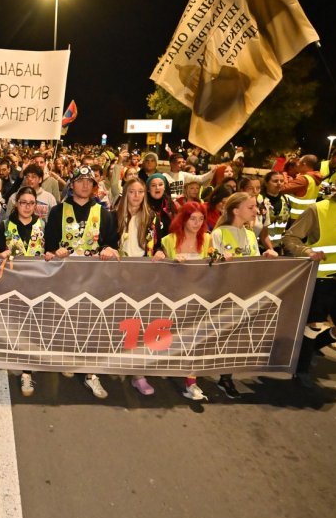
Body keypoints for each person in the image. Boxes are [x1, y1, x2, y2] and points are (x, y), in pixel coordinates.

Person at [282, 165, 336, 386]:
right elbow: (290, 238)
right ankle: (301, 370)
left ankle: (310, 349)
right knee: (313, 325)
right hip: (322, 278)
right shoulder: (318, 209)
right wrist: (307, 251)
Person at [44, 166, 119, 399]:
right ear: (72, 184)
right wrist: (54, 253)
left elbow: (111, 244)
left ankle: (90, 373)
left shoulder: (104, 212)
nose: (85, 185)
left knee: (93, 323)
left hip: (94, 278)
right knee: (67, 319)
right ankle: (69, 357)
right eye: (80, 181)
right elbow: (48, 246)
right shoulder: (57, 211)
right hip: (65, 277)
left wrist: (108, 249)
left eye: (89, 181)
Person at [211, 192, 279, 397]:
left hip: (245, 293)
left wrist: (266, 257)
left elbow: (254, 264)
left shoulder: (251, 235)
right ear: (235, 210)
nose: (256, 211)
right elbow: (210, 264)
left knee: (235, 337)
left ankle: (226, 377)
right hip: (223, 294)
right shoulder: (219, 234)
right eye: (250, 207)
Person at [115, 177, 166, 395]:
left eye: (140, 192)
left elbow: (158, 243)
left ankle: (138, 374)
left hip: (142, 277)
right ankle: (97, 368)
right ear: (125, 194)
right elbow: (107, 242)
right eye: (132, 192)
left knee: (137, 323)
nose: (136, 196)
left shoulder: (152, 218)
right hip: (117, 277)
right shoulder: (113, 216)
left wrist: (160, 251)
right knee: (115, 322)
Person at [0, 186, 45, 397]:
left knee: (31, 329)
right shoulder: (4, 225)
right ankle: (5, 359)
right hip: (9, 286)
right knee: (10, 326)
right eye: (23, 203)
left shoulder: (43, 225)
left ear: (36, 205)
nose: (27, 207)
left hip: (35, 285)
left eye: (31, 203)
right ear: (16, 204)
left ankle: (26, 371)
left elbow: (49, 251)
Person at [160, 202, 213, 400]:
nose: (197, 223)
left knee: (194, 340)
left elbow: (215, 266)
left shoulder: (208, 239)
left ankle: (191, 382)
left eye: (201, 219)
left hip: (199, 298)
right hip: (173, 298)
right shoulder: (168, 240)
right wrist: (171, 263)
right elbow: (157, 273)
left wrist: (223, 258)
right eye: (193, 218)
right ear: (183, 218)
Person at [238, 176, 273, 253]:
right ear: (242, 190)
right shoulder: (235, 208)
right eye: (250, 188)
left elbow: (264, 236)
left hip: (253, 250)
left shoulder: (263, 208)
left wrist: (272, 251)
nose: (255, 191)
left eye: (258, 188)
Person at [282, 154, 322, 222]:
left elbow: (282, 189)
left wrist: (284, 176)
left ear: (304, 164)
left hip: (295, 217)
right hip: (305, 215)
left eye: (299, 162)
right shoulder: (314, 178)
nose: (297, 165)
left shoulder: (303, 179)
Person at [262, 171, 289, 253]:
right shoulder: (260, 200)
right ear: (266, 183)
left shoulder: (286, 199)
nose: (279, 183)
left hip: (279, 247)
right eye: (275, 181)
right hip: (260, 247)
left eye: (281, 181)